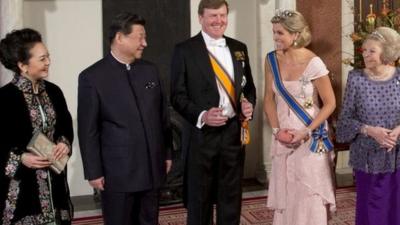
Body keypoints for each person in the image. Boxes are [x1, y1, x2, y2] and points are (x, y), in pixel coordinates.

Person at [78, 12, 172, 225]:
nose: (145, 43)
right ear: (120, 38)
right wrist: (93, 171)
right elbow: (88, 130)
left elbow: (162, 117)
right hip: (117, 173)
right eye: (140, 37)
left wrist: (166, 153)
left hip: (152, 169)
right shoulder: (91, 77)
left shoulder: (151, 71)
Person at [170, 0, 256, 224]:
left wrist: (248, 105)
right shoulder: (184, 50)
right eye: (212, 16)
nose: (219, 21)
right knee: (200, 199)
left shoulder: (239, 48)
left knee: (231, 197)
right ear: (200, 18)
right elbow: (177, 96)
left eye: (222, 15)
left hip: (232, 134)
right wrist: (203, 115)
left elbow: (248, 88)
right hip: (201, 136)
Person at [264, 10, 336, 225]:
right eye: (274, 33)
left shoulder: (314, 63)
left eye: (280, 33)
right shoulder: (271, 59)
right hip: (283, 135)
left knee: (308, 191)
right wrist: (277, 132)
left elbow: (330, 103)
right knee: (287, 189)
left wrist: (306, 131)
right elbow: (268, 98)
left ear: (296, 34)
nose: (275, 38)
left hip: (310, 135)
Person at [0, 28, 73, 224]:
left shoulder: (54, 92)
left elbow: (65, 126)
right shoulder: (4, 99)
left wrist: (64, 143)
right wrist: (21, 158)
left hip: (55, 181)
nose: (48, 62)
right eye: (42, 59)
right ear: (23, 65)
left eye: (48, 56)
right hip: (23, 188)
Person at [336, 27, 400, 225]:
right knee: (371, 208)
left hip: (397, 152)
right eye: (364, 50)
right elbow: (345, 121)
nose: (365, 54)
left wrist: (397, 131)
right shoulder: (356, 78)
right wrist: (371, 131)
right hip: (368, 156)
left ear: (386, 52)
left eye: (371, 50)